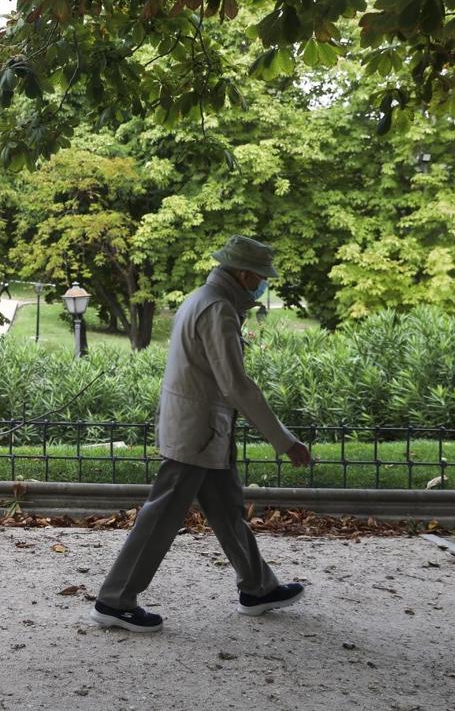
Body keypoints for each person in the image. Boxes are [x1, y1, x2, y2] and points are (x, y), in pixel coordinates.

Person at [91, 235, 313, 632]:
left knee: (228, 512)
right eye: (261, 277)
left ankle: (258, 588)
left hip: (203, 430)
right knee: (160, 517)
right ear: (244, 274)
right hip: (199, 432)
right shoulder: (218, 310)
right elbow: (236, 385)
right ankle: (115, 600)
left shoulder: (205, 299)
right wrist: (285, 441)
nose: (263, 284)